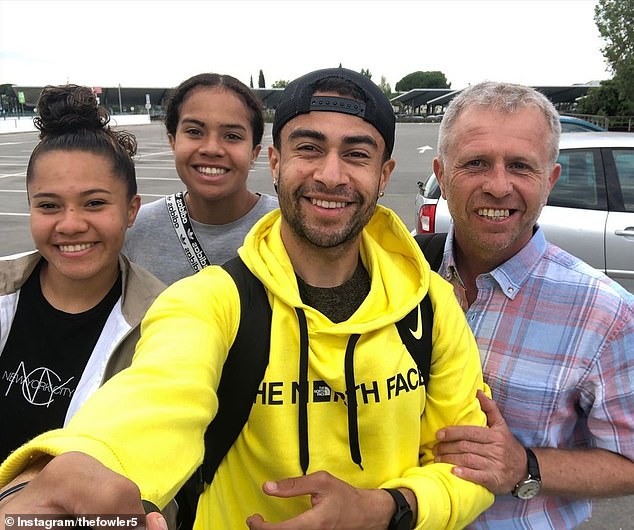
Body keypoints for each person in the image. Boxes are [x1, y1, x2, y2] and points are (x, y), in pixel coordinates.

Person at [0, 68, 493, 529]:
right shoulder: (208, 302)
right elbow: (156, 398)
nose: (331, 174)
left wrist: (387, 508)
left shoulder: (431, 305)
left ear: (385, 175)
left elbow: (474, 467)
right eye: (309, 148)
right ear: (275, 162)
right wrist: (65, 477)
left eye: (357, 154)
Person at [430, 81, 634, 528]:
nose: (498, 186)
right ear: (441, 176)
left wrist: (526, 466)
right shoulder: (393, 279)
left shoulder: (606, 314)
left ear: (550, 180)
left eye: (520, 166)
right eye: (476, 163)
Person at [0, 84, 165, 462]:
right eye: (48, 205)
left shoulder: (162, 320)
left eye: (94, 203)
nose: (70, 224)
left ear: (131, 209)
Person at [122, 73, 278, 285]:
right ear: (172, 141)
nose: (212, 149)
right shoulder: (133, 232)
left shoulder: (286, 226)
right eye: (194, 132)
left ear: (254, 152)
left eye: (232, 136)